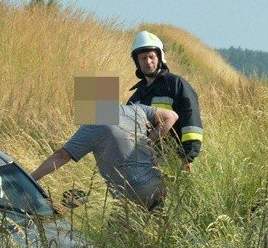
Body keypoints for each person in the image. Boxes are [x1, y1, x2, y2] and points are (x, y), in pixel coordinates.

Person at [30, 81, 179, 211]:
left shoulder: (96, 123)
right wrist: (149, 140)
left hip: (133, 193)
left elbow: (62, 156)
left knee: (119, 238)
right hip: (157, 184)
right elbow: (172, 116)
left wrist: (30, 178)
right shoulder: (137, 109)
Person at [125, 30, 205, 166]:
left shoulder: (176, 84)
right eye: (143, 58)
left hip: (176, 160)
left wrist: (188, 157)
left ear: (160, 57)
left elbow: (191, 123)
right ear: (137, 62)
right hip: (146, 163)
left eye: (151, 57)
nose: (148, 62)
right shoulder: (136, 97)